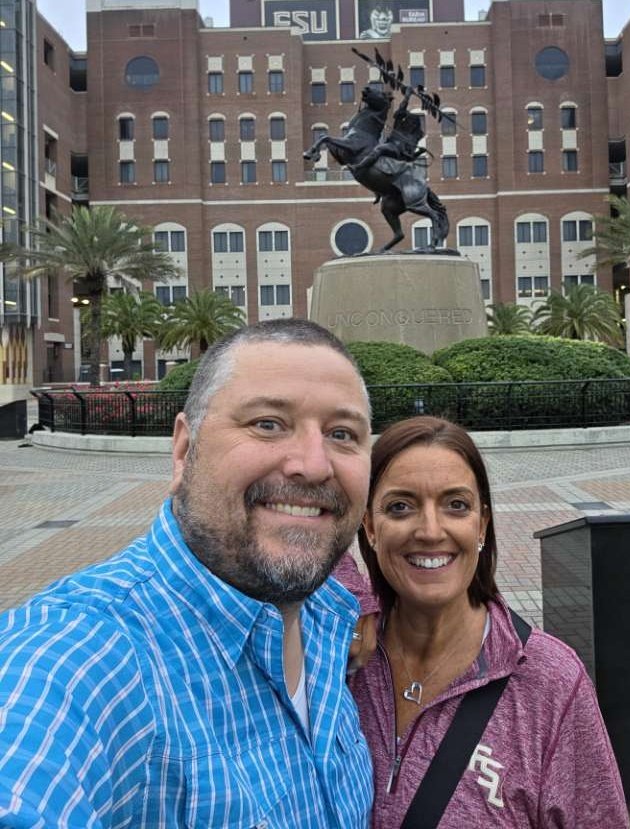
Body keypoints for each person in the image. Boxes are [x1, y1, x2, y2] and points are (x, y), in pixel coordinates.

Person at [0, 319, 374, 828]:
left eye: (342, 434)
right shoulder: (81, 657)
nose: (312, 464)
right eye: (267, 423)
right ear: (182, 450)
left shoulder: (331, 621)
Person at [344, 416, 630, 828]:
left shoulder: (550, 681)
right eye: (400, 506)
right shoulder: (341, 662)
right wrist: (353, 589)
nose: (429, 530)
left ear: (482, 524)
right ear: (370, 527)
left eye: (456, 505)